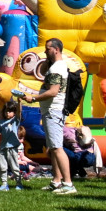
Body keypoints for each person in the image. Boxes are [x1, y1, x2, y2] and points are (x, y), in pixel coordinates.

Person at [32, 38, 78, 196]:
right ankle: (56, 181)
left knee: (58, 148)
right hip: (51, 111)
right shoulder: (55, 66)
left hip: (54, 111)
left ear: (56, 49)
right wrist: (47, 58)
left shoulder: (57, 68)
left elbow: (53, 91)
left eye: (48, 49)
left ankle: (68, 183)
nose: (45, 51)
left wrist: (33, 98)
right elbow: (43, 71)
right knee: (53, 147)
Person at [0, 94, 28, 190]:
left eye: (10, 111)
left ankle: (19, 183)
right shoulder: (2, 122)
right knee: (2, 166)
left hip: (12, 147)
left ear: (14, 112)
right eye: (6, 111)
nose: (7, 113)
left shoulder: (15, 121)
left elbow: (19, 113)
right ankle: (4, 184)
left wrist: (19, 102)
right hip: (3, 147)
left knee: (15, 167)